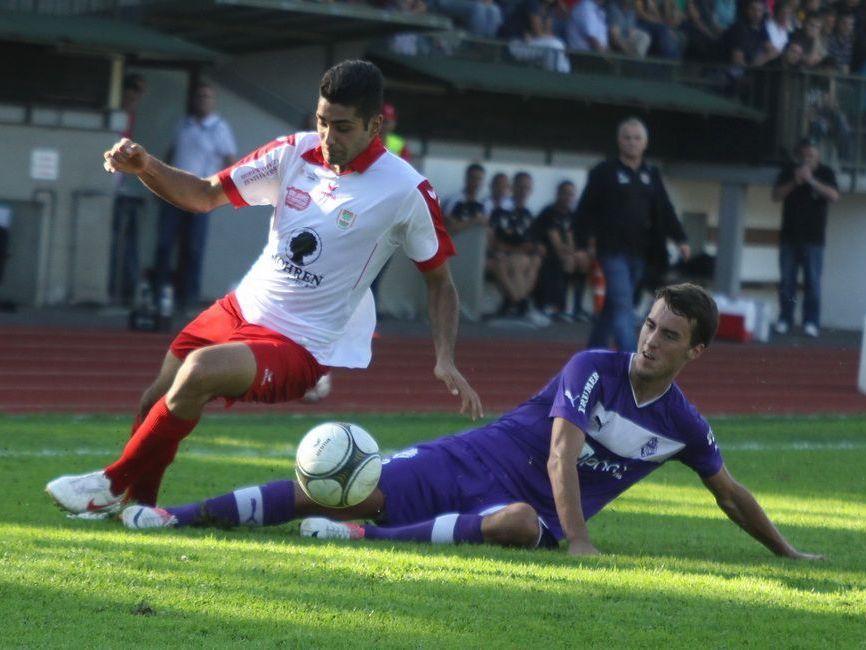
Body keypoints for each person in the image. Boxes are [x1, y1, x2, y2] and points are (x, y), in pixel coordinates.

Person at [45, 60, 482, 517]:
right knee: (156, 397)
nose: (329, 136)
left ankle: (111, 483)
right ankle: (139, 508)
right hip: (239, 308)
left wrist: (445, 357)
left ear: (376, 125)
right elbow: (203, 193)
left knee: (199, 371)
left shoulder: (407, 190)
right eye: (321, 121)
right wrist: (145, 166)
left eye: (343, 127)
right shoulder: (293, 152)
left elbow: (440, 283)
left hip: (298, 343)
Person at [120, 284, 822, 563]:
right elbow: (561, 452)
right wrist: (580, 541)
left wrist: (787, 554)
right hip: (469, 459)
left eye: (669, 336)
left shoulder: (683, 425)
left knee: (517, 523)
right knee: (331, 485)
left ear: (695, 351)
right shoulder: (591, 367)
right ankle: (174, 518)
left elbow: (729, 493)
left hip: (527, 509)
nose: (649, 340)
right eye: (649, 325)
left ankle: (363, 537)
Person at [577, 117, 689, 352]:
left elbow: (665, 209)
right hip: (611, 250)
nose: (632, 142)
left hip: (640, 251)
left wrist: (680, 239)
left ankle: (591, 354)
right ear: (619, 141)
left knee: (613, 306)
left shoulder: (651, 174)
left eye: (637, 138)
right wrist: (581, 244)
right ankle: (632, 359)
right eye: (627, 137)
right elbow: (585, 209)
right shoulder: (604, 171)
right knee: (623, 306)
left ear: (645, 143)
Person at [153, 81, 237, 312]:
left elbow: (231, 162)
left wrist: (221, 192)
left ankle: (187, 296)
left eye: (207, 97)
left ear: (213, 102)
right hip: (174, 192)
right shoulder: (183, 124)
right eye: (199, 97)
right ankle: (158, 291)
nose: (203, 101)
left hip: (200, 194)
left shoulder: (220, 128)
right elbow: (171, 153)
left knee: (193, 247)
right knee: (164, 243)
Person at [771, 137, 839, 338]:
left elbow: (834, 196)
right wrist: (795, 181)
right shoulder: (789, 170)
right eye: (804, 154)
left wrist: (811, 181)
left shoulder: (825, 172)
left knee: (813, 282)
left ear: (817, 154)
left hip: (814, 239)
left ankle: (811, 322)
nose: (807, 158)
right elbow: (776, 196)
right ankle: (785, 319)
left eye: (811, 154)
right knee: (787, 282)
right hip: (789, 237)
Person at [487, 171, 548, 324]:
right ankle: (522, 303)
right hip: (502, 256)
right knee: (518, 261)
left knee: (534, 261)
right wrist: (518, 250)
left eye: (527, 188)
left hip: (522, 257)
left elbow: (534, 241)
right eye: (520, 187)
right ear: (512, 187)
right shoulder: (501, 211)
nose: (523, 191)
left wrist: (537, 248)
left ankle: (516, 303)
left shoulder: (528, 214)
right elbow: (493, 242)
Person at [108, 73, 147, 306]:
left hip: (120, 186)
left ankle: (127, 287)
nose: (136, 99)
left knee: (127, 239)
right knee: (115, 240)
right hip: (109, 187)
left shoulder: (129, 117)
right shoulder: (117, 118)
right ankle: (116, 286)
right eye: (133, 92)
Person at [532, 180, 591, 321]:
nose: (567, 197)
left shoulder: (572, 216)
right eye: (564, 193)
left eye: (570, 194)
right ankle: (558, 306)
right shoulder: (549, 213)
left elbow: (577, 239)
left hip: (566, 253)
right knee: (567, 260)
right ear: (558, 194)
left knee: (583, 260)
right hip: (548, 254)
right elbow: (556, 244)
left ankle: (577, 307)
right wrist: (572, 253)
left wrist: (581, 252)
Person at [442, 163, 488, 235]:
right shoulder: (453, 201)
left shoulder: (483, 203)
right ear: (466, 178)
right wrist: (474, 221)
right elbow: (447, 228)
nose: (476, 182)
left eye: (479, 179)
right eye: (473, 178)